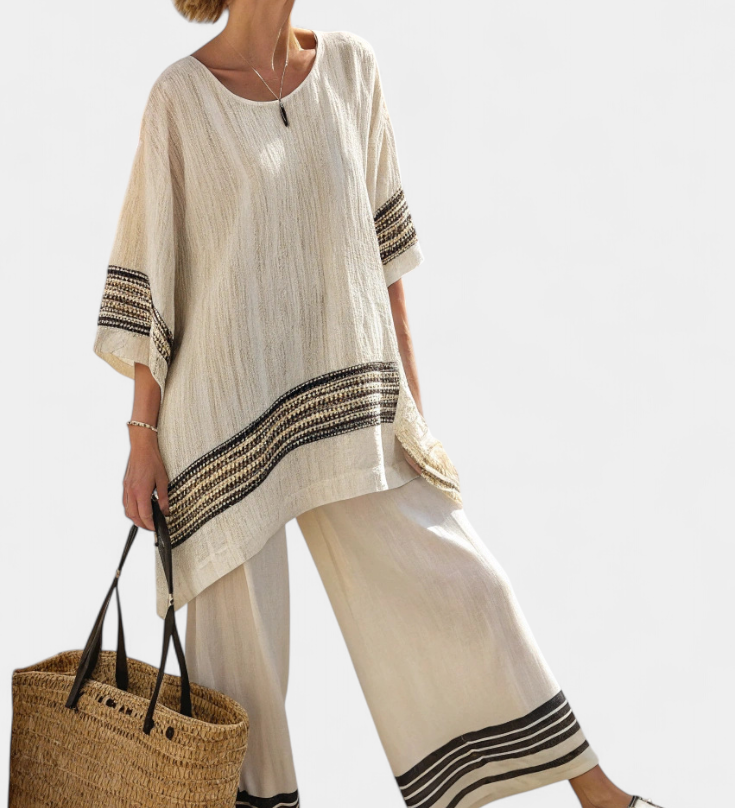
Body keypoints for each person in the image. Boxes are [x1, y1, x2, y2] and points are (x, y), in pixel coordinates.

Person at [92, 2, 666, 807]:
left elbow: (386, 257)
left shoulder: (350, 68)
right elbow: (154, 270)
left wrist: (413, 414)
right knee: (237, 678)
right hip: (221, 423)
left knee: (468, 588)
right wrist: (141, 437)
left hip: (353, 402)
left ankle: (599, 795)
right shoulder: (179, 100)